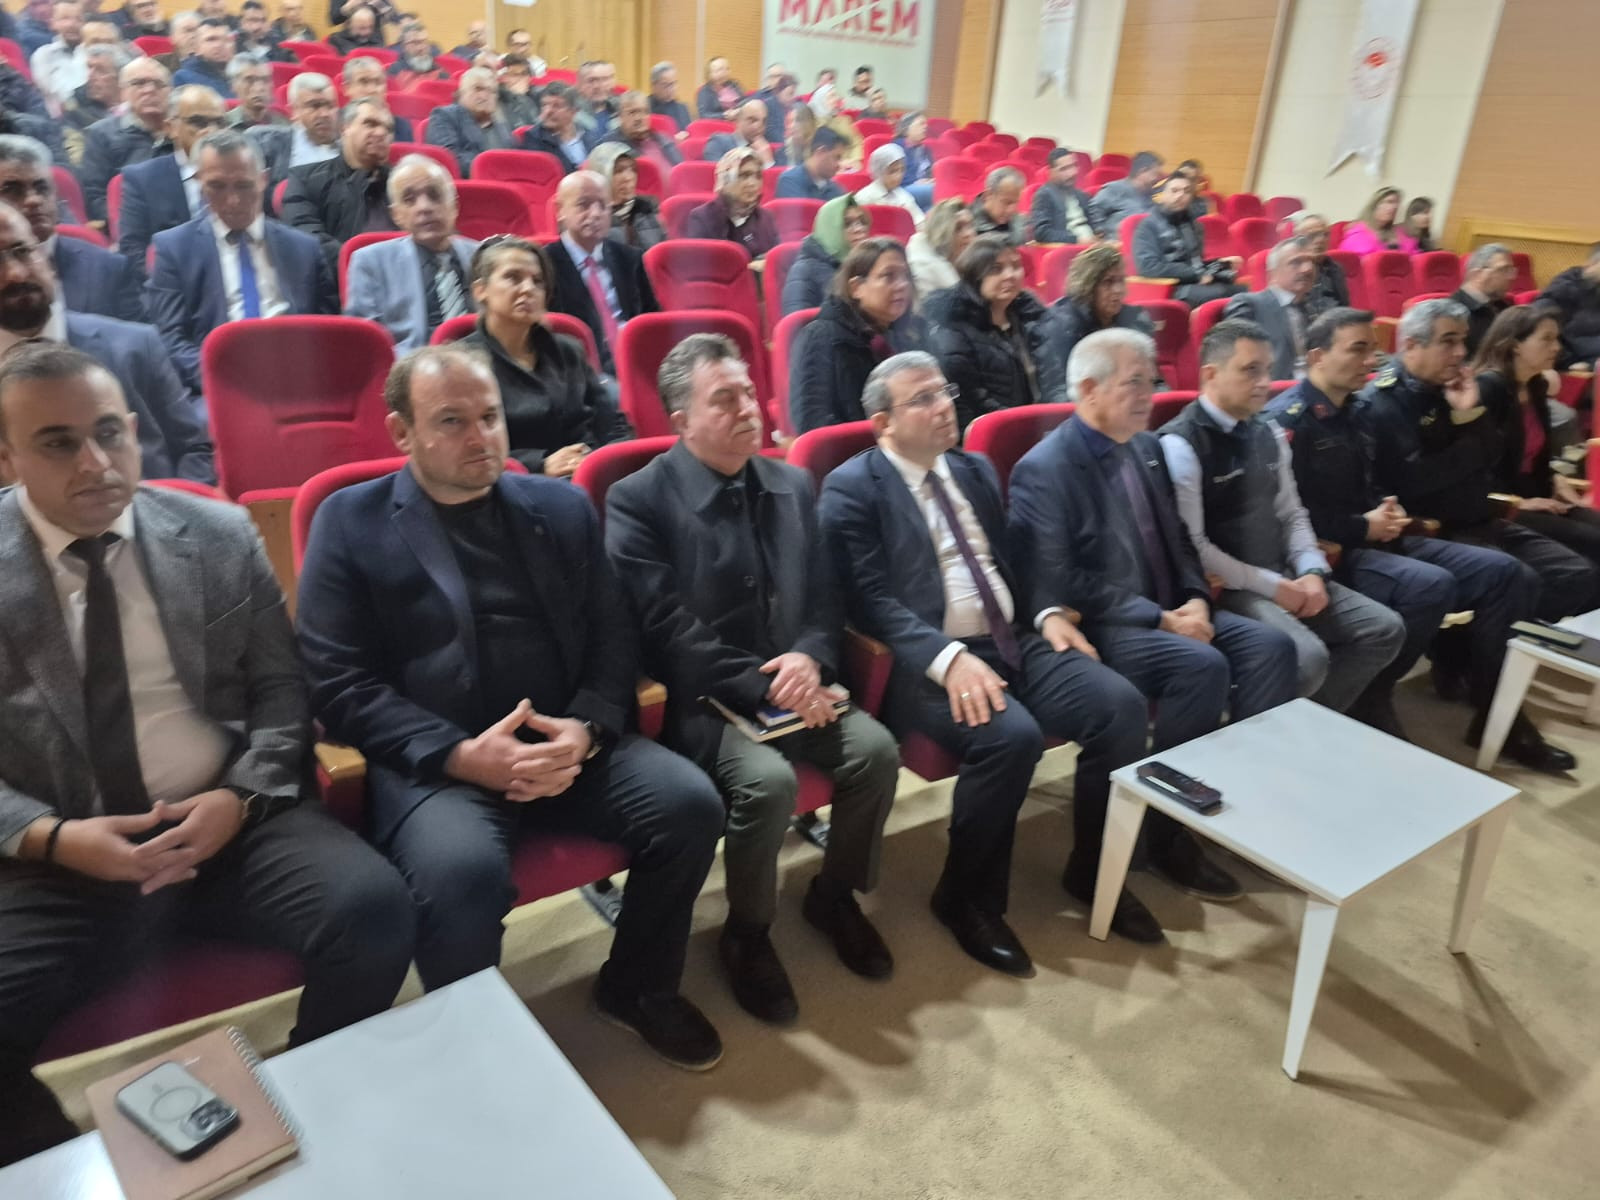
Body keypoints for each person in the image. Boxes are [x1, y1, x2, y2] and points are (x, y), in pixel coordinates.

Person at [0, 342, 417, 1167]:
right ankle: (59, 1169)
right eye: (58, 443)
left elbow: (281, 692)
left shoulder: (217, 534)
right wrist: (54, 838)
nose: (95, 463)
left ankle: (311, 1112)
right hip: (64, 856)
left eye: (109, 433)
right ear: (7, 458)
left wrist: (241, 798)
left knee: (374, 912)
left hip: (231, 822)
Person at [297, 344, 727, 1068]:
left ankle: (636, 988)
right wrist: (462, 755)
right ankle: (477, 1047)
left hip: (566, 741)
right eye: (453, 421)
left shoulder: (560, 505)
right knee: (459, 875)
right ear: (402, 432)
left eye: (491, 417)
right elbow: (337, 682)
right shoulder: (350, 520)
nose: (482, 437)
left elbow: (613, 635)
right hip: (443, 765)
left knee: (690, 805)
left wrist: (586, 728)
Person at [817, 353, 1148, 964]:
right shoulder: (853, 487)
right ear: (883, 423)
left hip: (1014, 638)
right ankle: (966, 898)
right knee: (1010, 739)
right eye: (922, 399)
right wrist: (948, 659)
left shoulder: (973, 469)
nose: (945, 406)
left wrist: (1046, 613)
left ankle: (1093, 867)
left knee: (1119, 708)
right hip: (924, 663)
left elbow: (1018, 561)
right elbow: (870, 603)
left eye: (944, 391)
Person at [607, 334, 900, 1020]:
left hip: (799, 682)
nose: (749, 408)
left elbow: (825, 595)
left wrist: (810, 658)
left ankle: (833, 895)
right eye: (725, 399)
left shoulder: (791, 482)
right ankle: (747, 933)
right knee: (767, 784)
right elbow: (663, 629)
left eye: (748, 392)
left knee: (876, 752)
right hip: (704, 700)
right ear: (681, 421)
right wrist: (764, 684)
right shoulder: (637, 499)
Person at [1008, 331, 1299, 936]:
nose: (1150, 394)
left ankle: (1209, 809)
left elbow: (1180, 541)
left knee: (1272, 647)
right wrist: (1162, 618)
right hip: (1110, 625)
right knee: (1201, 667)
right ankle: (1159, 834)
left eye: (1152, 380)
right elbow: (1058, 577)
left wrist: (1193, 597)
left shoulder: (1145, 448)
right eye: (1134, 382)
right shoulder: (1046, 467)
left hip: (1174, 607)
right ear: (1089, 389)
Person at [1267, 307, 1569, 760]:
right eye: (1357, 349)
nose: (1371, 360)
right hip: (1331, 550)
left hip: (1383, 534)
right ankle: (1373, 692)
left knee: (1507, 574)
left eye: (1372, 348)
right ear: (1317, 356)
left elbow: (1384, 483)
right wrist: (1364, 523)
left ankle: (1492, 709)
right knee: (1432, 585)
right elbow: (1288, 517)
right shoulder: (1291, 421)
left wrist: (1385, 510)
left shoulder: (1357, 409)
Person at [1159, 319, 1404, 712]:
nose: (1264, 382)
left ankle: (1306, 725)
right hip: (1226, 587)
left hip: (1282, 570)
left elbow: (1292, 513)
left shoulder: (1267, 431)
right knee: (1307, 658)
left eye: (1268, 370)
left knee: (1384, 629)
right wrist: (1276, 587)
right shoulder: (1181, 444)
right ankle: (1273, 726)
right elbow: (1196, 548)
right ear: (1211, 374)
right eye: (1250, 370)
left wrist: (1312, 570)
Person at [1361, 297, 1600, 627]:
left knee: (1578, 573)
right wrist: (1469, 445)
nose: (1461, 352)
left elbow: (1493, 453)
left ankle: (1530, 643)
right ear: (1412, 345)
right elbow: (1417, 480)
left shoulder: (1453, 389)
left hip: (1480, 516)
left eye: (1462, 340)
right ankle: (1487, 655)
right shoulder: (1386, 402)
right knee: (1516, 578)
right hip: (1437, 525)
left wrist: (1469, 413)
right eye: (1449, 342)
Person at [0, 202, 212, 482]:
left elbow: (195, 451)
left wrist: (167, 508)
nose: (16, 273)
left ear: (46, 260)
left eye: (22, 251)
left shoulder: (137, 346)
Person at [146, 129, 333, 392]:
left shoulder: (303, 249)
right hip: (216, 386)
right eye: (217, 187)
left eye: (244, 186)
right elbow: (171, 340)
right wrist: (225, 384)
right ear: (199, 183)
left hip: (296, 384)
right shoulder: (174, 250)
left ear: (263, 179)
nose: (232, 201)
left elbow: (328, 332)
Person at [458, 236, 628, 477]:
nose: (528, 289)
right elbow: (463, 447)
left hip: (588, 473)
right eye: (513, 277)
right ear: (480, 290)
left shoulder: (569, 350)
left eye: (537, 281)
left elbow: (612, 424)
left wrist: (599, 462)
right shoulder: (461, 363)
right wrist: (538, 465)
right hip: (510, 484)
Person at [1475, 305, 1600, 564]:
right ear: (1515, 345)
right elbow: (1476, 468)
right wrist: (1516, 503)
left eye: (1557, 339)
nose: (1557, 348)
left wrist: (1556, 481)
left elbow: (1536, 456)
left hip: (1536, 494)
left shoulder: (1535, 385)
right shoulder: (1487, 390)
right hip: (1498, 505)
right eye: (1547, 339)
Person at [790, 237, 926, 433]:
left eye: (906, 276)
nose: (902, 285)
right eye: (889, 276)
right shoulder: (821, 338)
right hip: (859, 449)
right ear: (856, 288)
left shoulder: (912, 331)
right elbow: (814, 427)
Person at [0, 134, 141, 321]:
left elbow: (136, 337)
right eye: (12, 190)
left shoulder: (110, 268)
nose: (34, 200)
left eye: (42, 188)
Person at [343, 155, 475, 353]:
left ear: (454, 206)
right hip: (410, 365)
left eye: (435, 195)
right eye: (409, 199)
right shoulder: (371, 262)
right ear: (396, 215)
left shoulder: (480, 255)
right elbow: (363, 344)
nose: (424, 207)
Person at [928, 234, 1060, 428]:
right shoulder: (954, 331)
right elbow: (973, 401)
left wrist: (1056, 417)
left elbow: (1055, 379)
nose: (1010, 275)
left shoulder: (1032, 318)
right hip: (997, 430)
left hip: (1043, 426)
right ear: (975, 276)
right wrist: (1026, 426)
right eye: (996, 269)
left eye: (1016, 266)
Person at [543, 170, 658, 377]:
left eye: (603, 205)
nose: (596, 214)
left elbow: (652, 320)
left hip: (635, 363)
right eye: (584, 204)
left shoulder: (629, 258)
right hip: (579, 370)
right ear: (560, 210)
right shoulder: (544, 265)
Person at [117, 85, 226, 275]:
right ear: (171, 128)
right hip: (171, 281)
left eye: (219, 123)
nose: (212, 131)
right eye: (199, 122)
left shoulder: (241, 174)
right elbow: (133, 251)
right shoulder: (143, 180)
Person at [281, 96, 396, 273]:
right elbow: (307, 240)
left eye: (388, 129)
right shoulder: (305, 179)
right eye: (370, 124)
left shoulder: (403, 184)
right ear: (345, 128)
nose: (381, 133)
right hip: (337, 280)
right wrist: (366, 269)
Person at [1044, 242, 1156, 396]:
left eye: (1121, 280)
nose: (1118, 290)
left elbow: (1153, 379)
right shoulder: (1062, 326)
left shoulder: (1133, 320)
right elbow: (1059, 391)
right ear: (1087, 286)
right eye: (1108, 282)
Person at [1133, 170, 1243, 308]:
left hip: (1193, 282)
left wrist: (1220, 263)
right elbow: (1149, 267)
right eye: (1174, 190)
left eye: (1186, 191)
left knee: (1242, 292)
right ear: (1163, 195)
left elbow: (1194, 263)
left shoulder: (1193, 225)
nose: (1181, 195)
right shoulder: (1148, 226)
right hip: (1171, 287)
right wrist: (1195, 275)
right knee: (1226, 296)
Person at [79, 55, 169, 223]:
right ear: (123, 93)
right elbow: (94, 195)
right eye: (139, 83)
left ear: (169, 91)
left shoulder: (181, 129)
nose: (150, 90)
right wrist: (127, 224)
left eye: (158, 84)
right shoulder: (101, 134)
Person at [1221, 237, 1320, 381]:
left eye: (1312, 262)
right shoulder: (1249, 304)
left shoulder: (1312, 308)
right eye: (1296, 262)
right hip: (1273, 390)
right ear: (1272, 274)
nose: (1308, 269)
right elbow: (1236, 360)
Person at [249, 71, 338, 196]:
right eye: (314, 106)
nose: (325, 114)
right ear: (293, 110)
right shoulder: (264, 143)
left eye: (330, 106)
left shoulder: (348, 150)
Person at [780, 193, 869, 317]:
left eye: (862, 221)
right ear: (829, 229)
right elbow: (796, 324)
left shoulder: (865, 264)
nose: (859, 229)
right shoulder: (804, 271)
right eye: (847, 224)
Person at [687, 146, 779, 259]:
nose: (753, 183)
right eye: (744, 176)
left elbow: (777, 260)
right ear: (726, 180)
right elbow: (699, 264)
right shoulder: (702, 218)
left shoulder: (766, 218)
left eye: (758, 176)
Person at [425, 67, 512, 176]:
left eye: (492, 91)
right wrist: (493, 168)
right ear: (462, 93)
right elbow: (448, 159)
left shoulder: (502, 126)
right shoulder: (444, 116)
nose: (485, 96)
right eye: (478, 89)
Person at [586, 143, 665, 252]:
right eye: (618, 171)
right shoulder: (590, 217)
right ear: (601, 175)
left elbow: (662, 250)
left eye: (633, 169)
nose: (629, 177)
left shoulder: (647, 206)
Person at [1538, 243, 1600, 371]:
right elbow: (1538, 328)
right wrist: (1569, 363)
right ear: (1592, 264)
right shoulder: (1565, 288)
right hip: (1576, 366)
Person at [516, 82, 602, 173]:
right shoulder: (533, 139)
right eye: (544, 105)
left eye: (557, 106)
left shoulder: (590, 136)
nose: (548, 111)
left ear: (573, 111)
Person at [906, 197, 972, 310]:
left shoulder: (962, 259)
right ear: (941, 232)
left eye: (970, 226)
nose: (968, 234)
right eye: (958, 228)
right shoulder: (922, 268)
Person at [1452, 243, 1517, 357]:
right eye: (1503, 270)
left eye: (1511, 271)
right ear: (1477, 274)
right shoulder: (1453, 312)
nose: (1511, 277)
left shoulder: (1503, 307)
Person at [599, 89, 683, 173]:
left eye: (644, 112)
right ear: (620, 116)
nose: (638, 118)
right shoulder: (609, 145)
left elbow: (682, 170)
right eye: (632, 112)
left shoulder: (665, 141)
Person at [1029, 148, 1100, 245]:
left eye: (1073, 166)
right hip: (1069, 248)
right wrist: (1076, 240)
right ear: (1050, 172)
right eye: (1064, 169)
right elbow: (1042, 233)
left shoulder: (1082, 196)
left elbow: (1095, 226)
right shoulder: (1045, 195)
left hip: (1091, 247)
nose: (1071, 173)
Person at [60, 42, 123, 152]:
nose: (90, 76)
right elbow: (75, 150)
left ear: (121, 77)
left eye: (100, 70)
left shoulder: (138, 106)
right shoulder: (75, 108)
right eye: (89, 68)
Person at [27, 0, 87, 112]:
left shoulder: (92, 52)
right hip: (65, 116)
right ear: (53, 23)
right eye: (64, 18)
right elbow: (50, 94)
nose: (71, 24)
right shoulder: (43, 56)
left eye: (78, 19)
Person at [1284, 211, 1348, 311]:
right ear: (1299, 241)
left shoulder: (1334, 268)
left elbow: (1344, 306)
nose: (1320, 240)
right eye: (1313, 235)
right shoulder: (1290, 269)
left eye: (1325, 235)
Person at [339, 56, 411, 140]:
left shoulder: (400, 126)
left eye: (378, 82)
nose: (372, 90)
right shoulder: (334, 121)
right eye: (364, 82)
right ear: (347, 88)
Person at [854, 142, 923, 228]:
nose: (899, 176)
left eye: (902, 170)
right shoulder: (864, 198)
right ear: (879, 172)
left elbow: (919, 221)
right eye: (892, 171)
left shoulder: (903, 195)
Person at [1091, 150, 1163, 232]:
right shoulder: (1114, 189)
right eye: (1155, 174)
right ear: (1142, 171)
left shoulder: (1150, 195)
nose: (1158, 179)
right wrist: (1100, 234)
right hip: (1117, 238)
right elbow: (1094, 213)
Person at [1339, 186, 1416, 255]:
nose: (1395, 207)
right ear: (1375, 205)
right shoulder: (1357, 234)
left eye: (1397, 203)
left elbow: (1413, 256)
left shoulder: (1399, 232)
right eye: (1389, 202)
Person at [704, 98, 777, 168]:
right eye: (752, 120)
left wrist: (768, 163)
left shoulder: (766, 150)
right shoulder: (719, 143)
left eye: (763, 121)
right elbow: (718, 173)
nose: (759, 126)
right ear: (737, 121)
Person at [173, 17, 236, 98]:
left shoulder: (242, 75)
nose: (220, 44)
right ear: (197, 48)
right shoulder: (184, 77)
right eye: (211, 39)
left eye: (226, 40)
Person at [807, 83, 862, 169]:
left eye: (836, 96)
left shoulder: (844, 120)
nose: (836, 99)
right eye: (831, 96)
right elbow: (808, 151)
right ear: (821, 100)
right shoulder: (811, 123)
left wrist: (853, 160)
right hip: (820, 168)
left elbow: (856, 143)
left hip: (847, 164)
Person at [968, 165, 1025, 245]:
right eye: (1006, 202)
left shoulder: (1020, 223)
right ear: (988, 195)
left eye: (1015, 203)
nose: (1011, 210)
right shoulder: (966, 225)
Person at [225, 56, 283, 133]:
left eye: (265, 80)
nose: (259, 88)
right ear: (233, 86)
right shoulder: (224, 126)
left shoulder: (284, 125)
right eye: (250, 81)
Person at [386, 21, 448, 90]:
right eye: (414, 43)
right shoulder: (395, 71)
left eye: (423, 41)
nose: (420, 48)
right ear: (404, 46)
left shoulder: (441, 73)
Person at [746, 63, 795, 150]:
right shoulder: (762, 101)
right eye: (774, 76)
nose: (778, 79)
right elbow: (771, 132)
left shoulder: (794, 104)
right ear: (768, 79)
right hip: (776, 146)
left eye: (781, 76)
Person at [892, 110, 933, 209]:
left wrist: (931, 180)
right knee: (938, 190)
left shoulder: (926, 150)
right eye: (921, 124)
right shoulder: (896, 147)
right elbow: (892, 175)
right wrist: (915, 182)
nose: (925, 127)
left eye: (925, 124)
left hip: (923, 189)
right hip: (902, 189)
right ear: (907, 128)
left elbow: (931, 171)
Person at [491, 53, 538, 131]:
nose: (520, 78)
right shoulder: (495, 99)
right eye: (515, 74)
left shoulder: (537, 96)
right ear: (504, 77)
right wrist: (517, 96)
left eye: (524, 73)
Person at [573, 59, 619, 137]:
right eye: (591, 81)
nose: (597, 86)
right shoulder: (569, 115)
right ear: (579, 85)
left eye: (604, 79)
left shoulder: (623, 111)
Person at [648, 60, 691, 133]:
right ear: (653, 85)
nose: (672, 89)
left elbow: (688, 132)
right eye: (666, 85)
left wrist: (685, 135)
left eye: (674, 83)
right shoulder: (645, 108)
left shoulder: (682, 108)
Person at [697, 55, 742, 121]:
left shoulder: (734, 84)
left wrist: (739, 110)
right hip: (719, 123)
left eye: (727, 68)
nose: (725, 72)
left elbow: (744, 100)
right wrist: (724, 115)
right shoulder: (704, 91)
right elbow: (704, 115)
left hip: (739, 121)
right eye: (720, 69)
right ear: (710, 74)